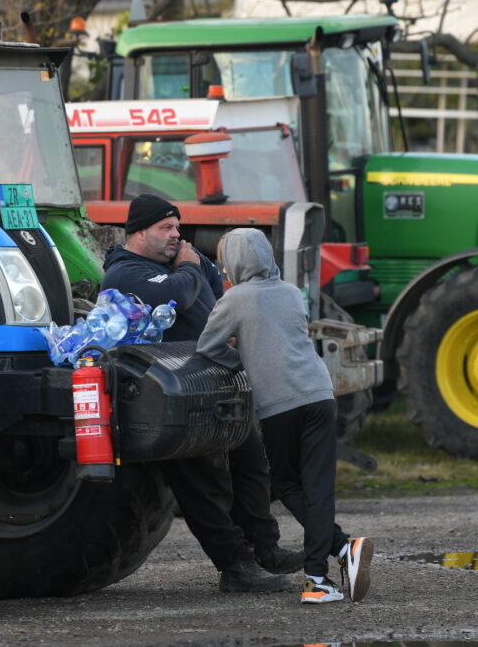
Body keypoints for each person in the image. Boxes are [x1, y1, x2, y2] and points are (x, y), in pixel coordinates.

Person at [101, 193, 300, 593]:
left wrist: (195, 274)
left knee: (251, 463)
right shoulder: (124, 271)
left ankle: (266, 550)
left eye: (178, 227)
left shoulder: (180, 265)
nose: (177, 235)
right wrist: (189, 268)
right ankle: (236, 566)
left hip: (211, 380)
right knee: (200, 482)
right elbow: (174, 296)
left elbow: (215, 290)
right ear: (138, 231)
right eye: (166, 228)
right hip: (168, 392)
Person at [196, 227, 373, 604]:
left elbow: (206, 348)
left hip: (278, 406)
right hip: (320, 395)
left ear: (236, 261)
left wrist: (239, 359)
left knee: (288, 485)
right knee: (318, 487)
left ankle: (330, 566)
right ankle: (334, 559)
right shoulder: (293, 293)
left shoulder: (233, 299)